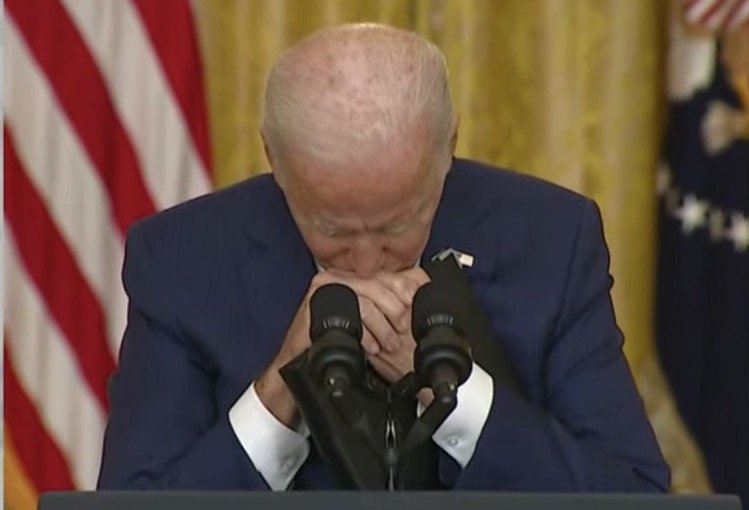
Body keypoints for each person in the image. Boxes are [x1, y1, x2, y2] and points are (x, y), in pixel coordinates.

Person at [97, 23, 669, 491]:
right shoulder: (181, 260)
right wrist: (280, 391)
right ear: (275, 160)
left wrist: (460, 398)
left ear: (449, 148)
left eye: (398, 225)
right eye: (332, 230)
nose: (369, 264)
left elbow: (631, 492)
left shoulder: (550, 240)